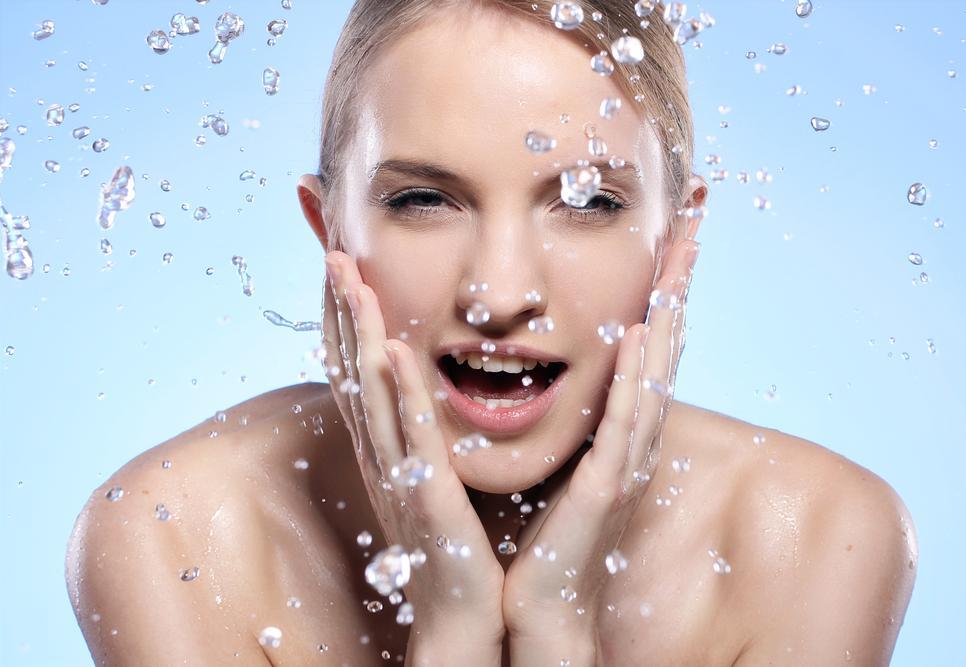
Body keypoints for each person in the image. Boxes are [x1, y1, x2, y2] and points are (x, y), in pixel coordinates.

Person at [65, 2, 917, 665]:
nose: (500, 293)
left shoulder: (813, 538)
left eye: (586, 201)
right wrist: (451, 635)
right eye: (423, 199)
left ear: (676, 241)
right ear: (329, 230)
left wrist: (557, 629)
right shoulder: (176, 534)